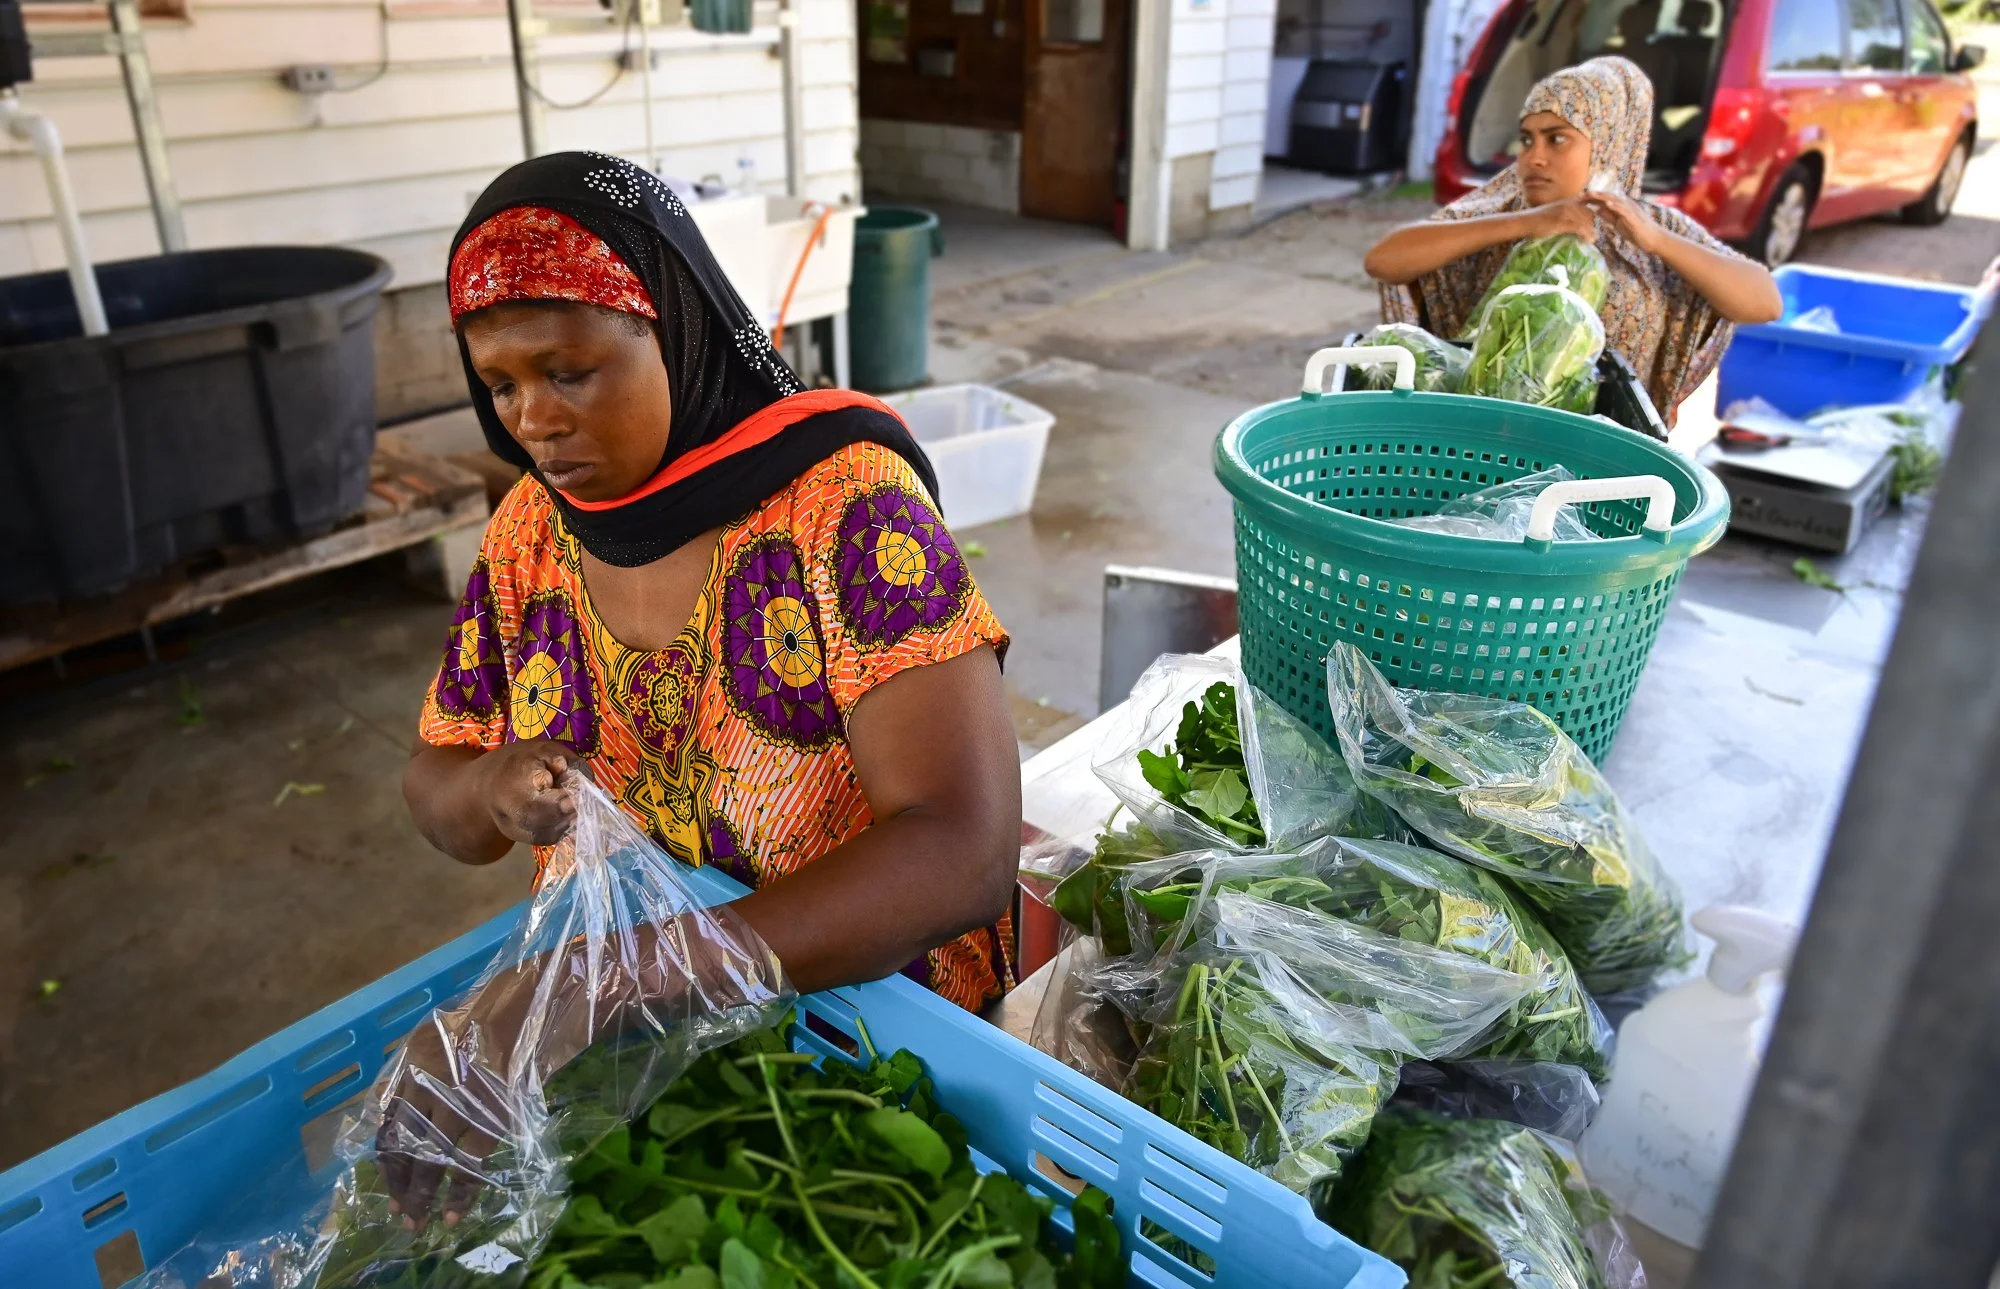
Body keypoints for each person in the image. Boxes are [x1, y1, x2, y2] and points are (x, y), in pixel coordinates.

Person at [384, 151, 1021, 1224]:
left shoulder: (843, 509)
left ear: (673, 327)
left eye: (568, 370)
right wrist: (488, 789)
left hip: (878, 1051)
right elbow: (433, 784)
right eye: (500, 384)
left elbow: (964, 851)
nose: (533, 419)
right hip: (645, 1053)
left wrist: (603, 982)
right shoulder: (529, 535)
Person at [1363, 56, 1780, 419]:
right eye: (1527, 140)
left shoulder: (1650, 225)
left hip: (1602, 450)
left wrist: (1656, 241)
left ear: (1607, 144)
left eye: (1557, 139)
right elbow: (1383, 260)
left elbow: (1764, 301)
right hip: (1479, 430)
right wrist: (1527, 223)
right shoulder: (1501, 209)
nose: (1534, 157)